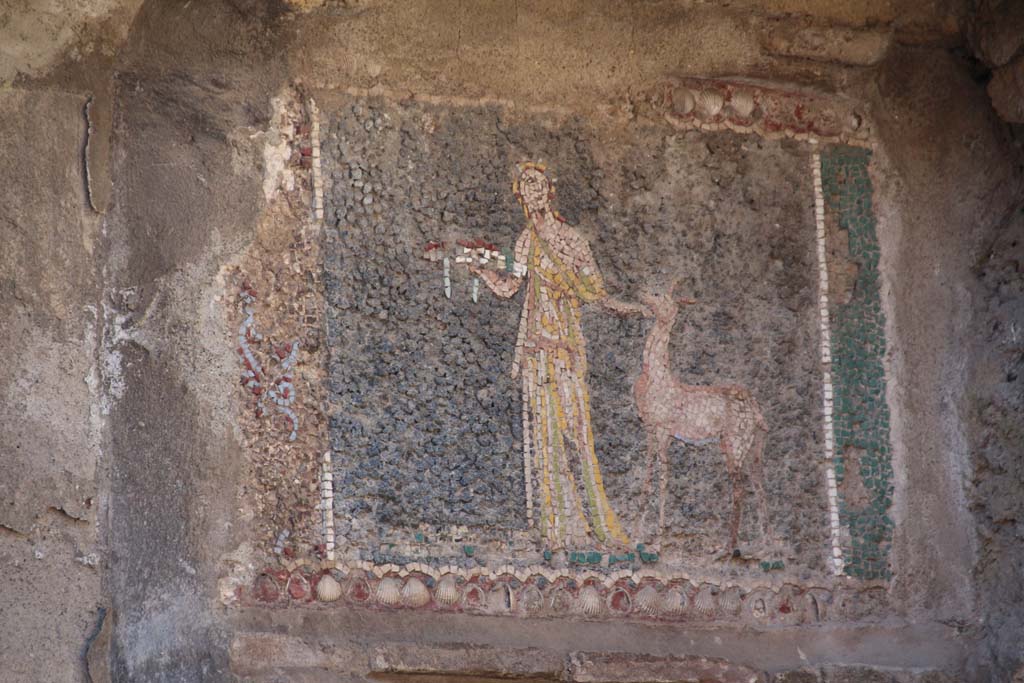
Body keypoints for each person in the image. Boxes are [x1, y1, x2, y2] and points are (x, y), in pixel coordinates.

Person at [473, 162, 647, 549]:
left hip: (566, 347)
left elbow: (595, 291)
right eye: (524, 189)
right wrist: (481, 271)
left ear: (549, 191)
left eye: (536, 186)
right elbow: (510, 288)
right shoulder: (524, 240)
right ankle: (557, 530)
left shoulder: (571, 240)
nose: (530, 194)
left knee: (577, 433)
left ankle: (600, 525)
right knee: (544, 439)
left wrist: (625, 307)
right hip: (536, 348)